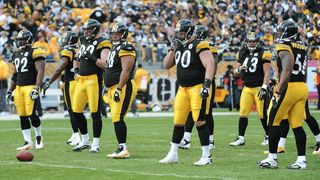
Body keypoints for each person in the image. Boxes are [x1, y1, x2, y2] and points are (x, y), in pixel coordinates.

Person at [159, 19, 215, 166]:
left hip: (197, 87)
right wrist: (172, 49)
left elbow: (210, 64)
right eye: (178, 32)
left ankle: (206, 156)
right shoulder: (178, 46)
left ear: (189, 31)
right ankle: (173, 153)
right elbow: (166, 65)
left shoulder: (199, 44)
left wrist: (207, 84)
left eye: (182, 32)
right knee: (178, 121)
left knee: (200, 120)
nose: (179, 35)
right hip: (182, 88)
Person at [258, 19, 308, 169]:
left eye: (281, 32)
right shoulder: (302, 46)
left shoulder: (284, 46)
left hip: (289, 88)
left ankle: (272, 158)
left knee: (272, 120)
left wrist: (278, 90)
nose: (278, 35)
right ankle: (301, 160)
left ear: (288, 34)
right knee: (297, 124)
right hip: (302, 87)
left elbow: (287, 70)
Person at [72, 19, 111, 153]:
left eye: (88, 29)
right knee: (76, 111)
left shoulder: (103, 42)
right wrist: (76, 70)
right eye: (85, 29)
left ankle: (96, 143)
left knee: (95, 112)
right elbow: (76, 57)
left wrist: (91, 57)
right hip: (81, 80)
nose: (86, 32)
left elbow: (105, 64)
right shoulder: (83, 40)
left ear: (95, 29)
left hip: (94, 79)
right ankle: (85, 140)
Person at [179, 25, 218, 150]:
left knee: (206, 112)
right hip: (194, 84)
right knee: (192, 111)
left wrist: (208, 81)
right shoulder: (190, 45)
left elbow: (213, 64)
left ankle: (210, 140)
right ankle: (186, 138)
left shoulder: (207, 45)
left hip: (206, 82)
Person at [229, 32, 271, 146]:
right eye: (250, 41)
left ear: (257, 42)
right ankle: (241, 138)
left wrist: (264, 87)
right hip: (247, 87)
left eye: (254, 41)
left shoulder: (264, 52)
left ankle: (268, 136)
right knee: (243, 113)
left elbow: (267, 72)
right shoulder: (242, 53)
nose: (252, 43)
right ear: (246, 42)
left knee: (262, 114)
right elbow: (235, 72)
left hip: (258, 87)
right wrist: (239, 70)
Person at [6, 29, 46, 150]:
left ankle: (38, 137)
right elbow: (15, 74)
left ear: (29, 39)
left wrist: (36, 88)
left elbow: (41, 71)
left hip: (30, 86)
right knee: (22, 115)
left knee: (31, 114)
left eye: (22, 39)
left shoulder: (36, 51)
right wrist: (9, 90)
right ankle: (27, 141)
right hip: (18, 87)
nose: (20, 41)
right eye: (19, 39)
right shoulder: (16, 54)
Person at [104, 23, 137, 158]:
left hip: (123, 86)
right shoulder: (114, 47)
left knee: (117, 117)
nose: (114, 35)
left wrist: (119, 88)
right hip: (114, 87)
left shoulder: (126, 47)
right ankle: (121, 147)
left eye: (117, 33)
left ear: (124, 33)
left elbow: (127, 70)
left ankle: (123, 149)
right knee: (116, 117)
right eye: (112, 33)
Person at [43, 31, 81, 146]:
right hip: (79, 81)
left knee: (71, 109)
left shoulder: (68, 51)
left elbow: (60, 68)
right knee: (75, 109)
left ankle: (78, 136)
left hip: (71, 82)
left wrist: (49, 81)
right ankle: (75, 134)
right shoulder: (79, 49)